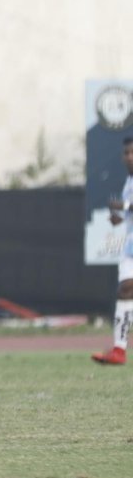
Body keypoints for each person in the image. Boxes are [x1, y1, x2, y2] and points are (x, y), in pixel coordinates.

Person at [92, 136, 133, 365]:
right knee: (125, 290)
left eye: (132, 152)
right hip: (130, 245)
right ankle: (119, 350)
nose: (129, 156)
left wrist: (124, 206)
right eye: (126, 153)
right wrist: (121, 218)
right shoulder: (129, 182)